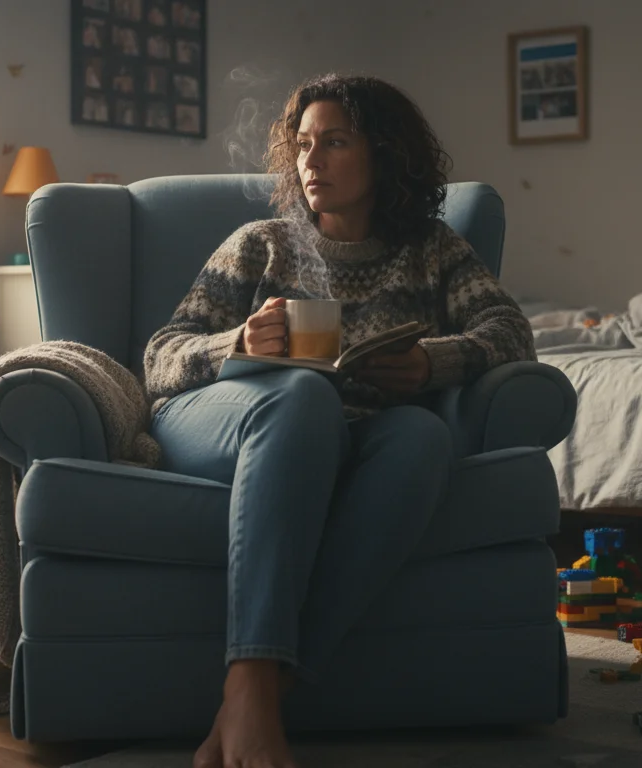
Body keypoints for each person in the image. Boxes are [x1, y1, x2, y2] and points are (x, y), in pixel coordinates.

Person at [142, 73, 536, 768]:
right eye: (301, 145)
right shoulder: (261, 243)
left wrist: (430, 363)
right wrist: (236, 342)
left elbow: (510, 332)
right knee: (301, 396)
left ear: (384, 154)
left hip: (353, 433)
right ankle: (253, 679)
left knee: (421, 435)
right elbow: (160, 356)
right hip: (224, 424)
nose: (310, 161)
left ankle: (258, 697)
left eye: (334, 142)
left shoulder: (433, 250)